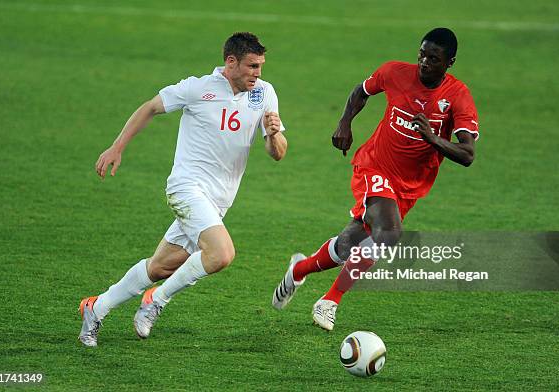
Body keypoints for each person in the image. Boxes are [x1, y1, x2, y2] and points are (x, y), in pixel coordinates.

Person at [79, 32, 288, 347]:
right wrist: (116, 147)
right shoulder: (197, 88)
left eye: (260, 66)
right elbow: (150, 107)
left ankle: (96, 308)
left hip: (218, 202)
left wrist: (273, 135)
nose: (258, 74)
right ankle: (156, 301)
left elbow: (278, 154)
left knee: (161, 266)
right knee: (221, 253)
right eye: (252, 66)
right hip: (186, 187)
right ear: (231, 62)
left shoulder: (264, 93)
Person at [272, 28, 479, 331]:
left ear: (450, 62)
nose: (424, 62)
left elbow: (467, 154)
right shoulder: (394, 72)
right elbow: (361, 91)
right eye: (422, 54)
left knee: (348, 245)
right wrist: (344, 123)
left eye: (433, 59)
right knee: (390, 232)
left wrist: (433, 138)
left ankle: (298, 269)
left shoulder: (458, 97)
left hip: (410, 186)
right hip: (374, 166)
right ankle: (329, 301)